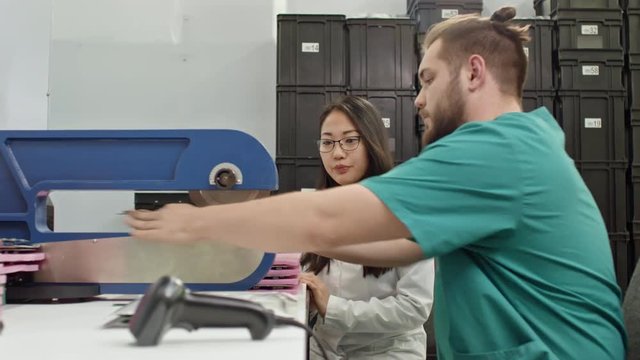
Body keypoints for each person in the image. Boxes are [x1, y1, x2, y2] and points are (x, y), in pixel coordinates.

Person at [127, 7, 627, 359]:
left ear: (474, 72)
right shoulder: (521, 147)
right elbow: (404, 247)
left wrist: (195, 222)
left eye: (427, 79)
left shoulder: (495, 150)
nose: (417, 99)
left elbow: (324, 222)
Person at [298, 96, 434, 360]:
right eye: (327, 142)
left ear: (372, 144)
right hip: (324, 348)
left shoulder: (407, 212)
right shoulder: (315, 209)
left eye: (350, 140)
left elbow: (414, 307)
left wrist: (333, 308)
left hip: (388, 352)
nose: (337, 153)